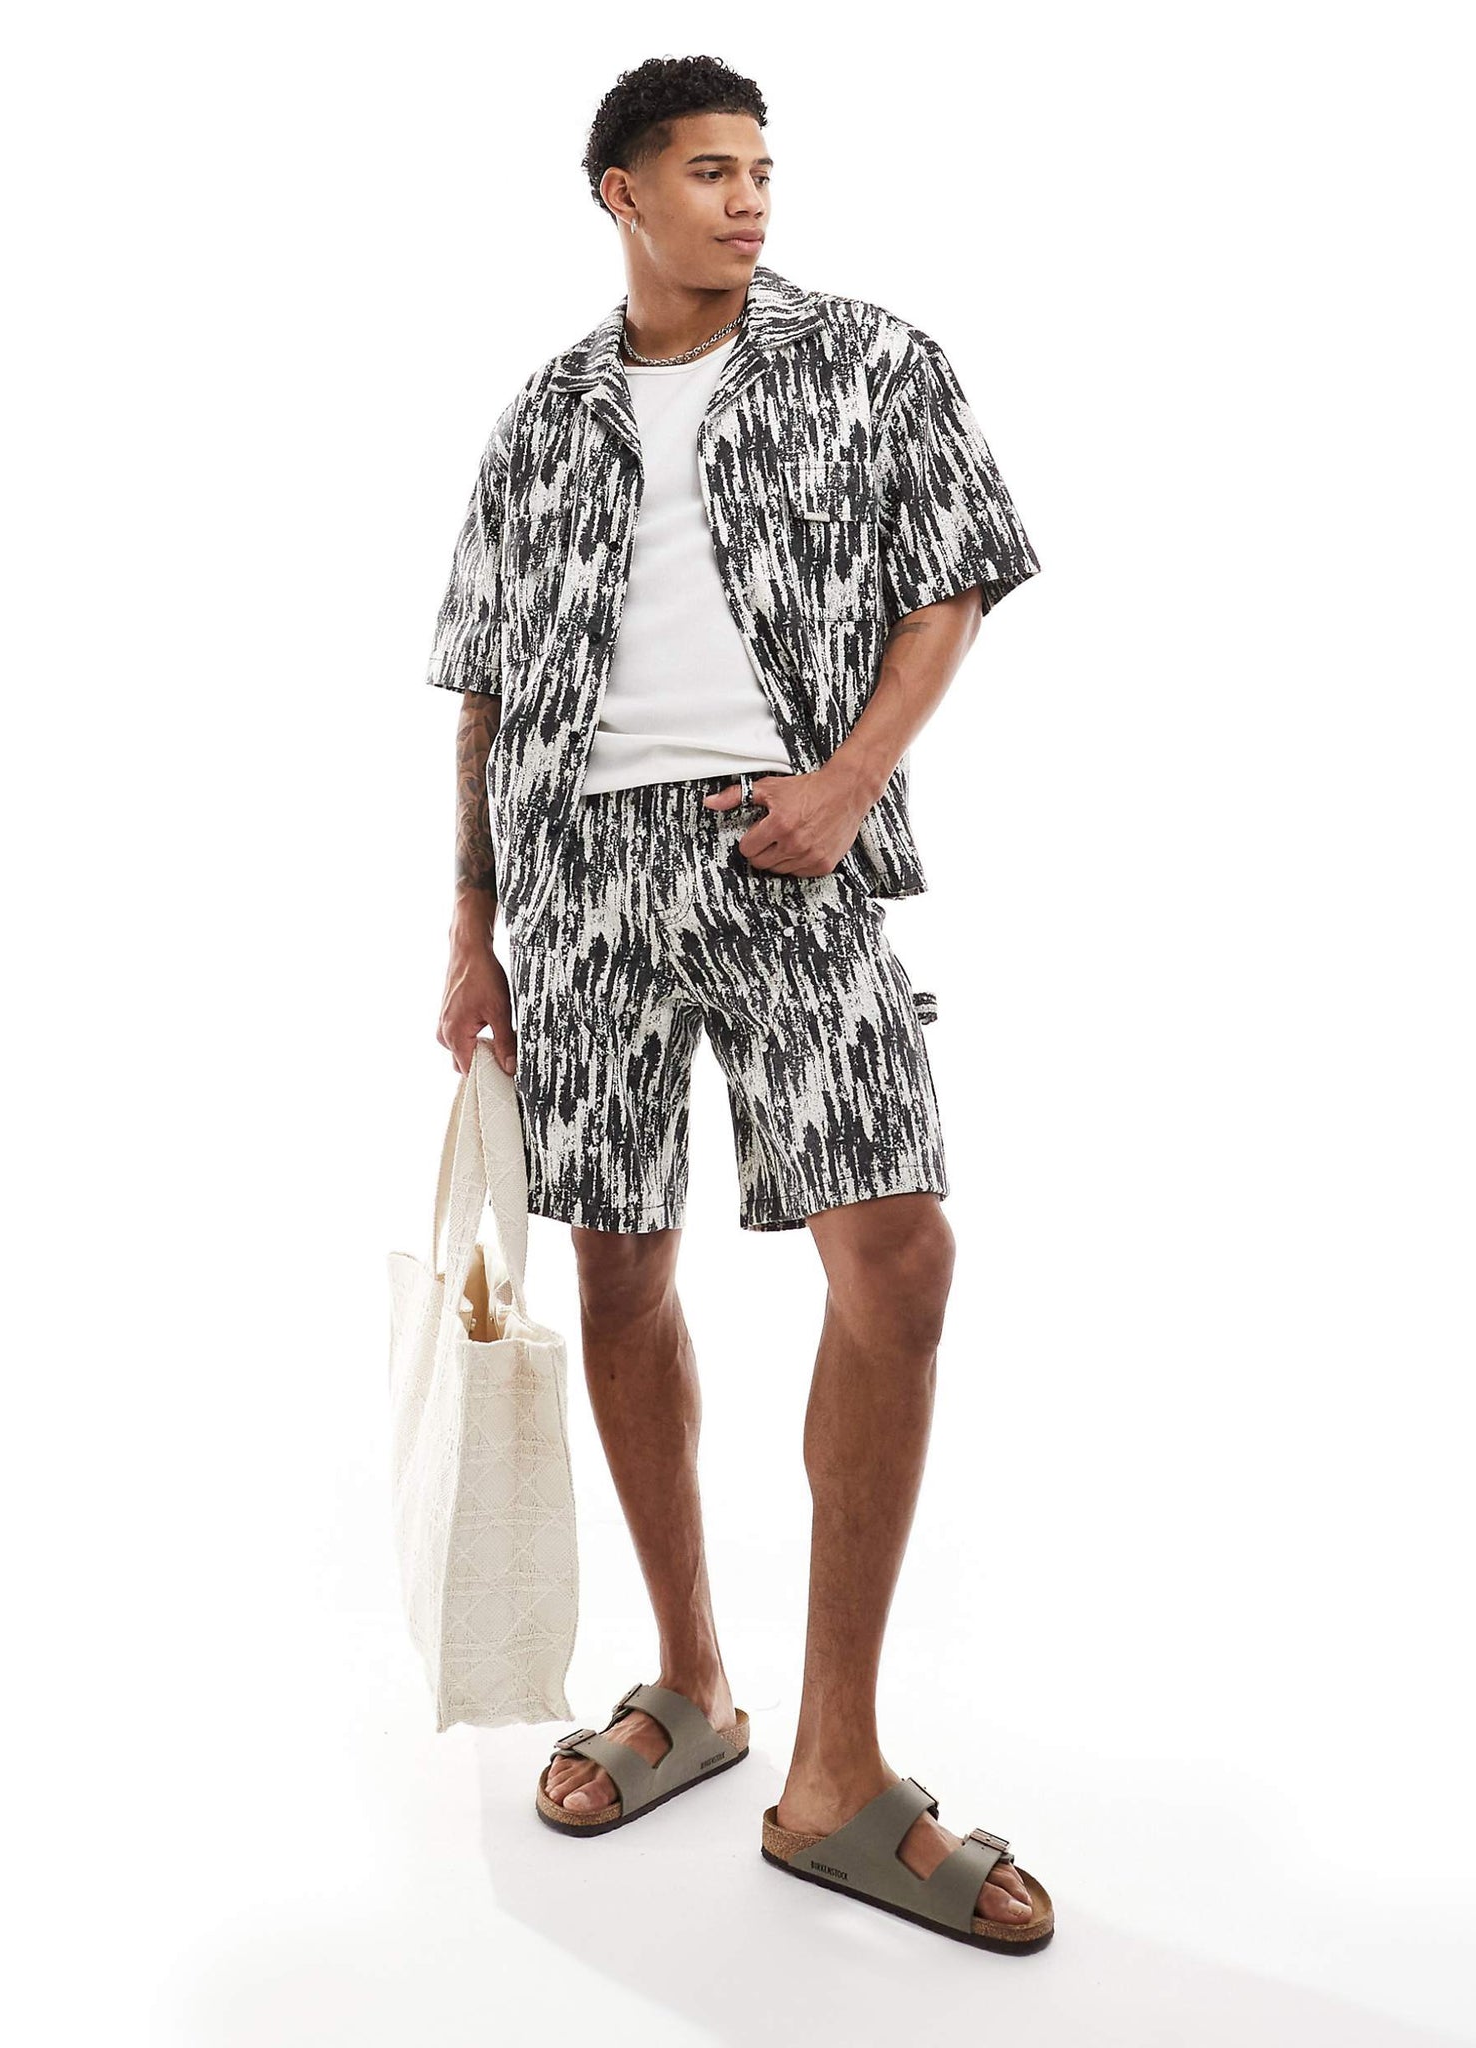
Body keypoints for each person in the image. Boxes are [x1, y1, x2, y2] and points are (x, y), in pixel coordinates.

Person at [427, 54, 1052, 1950]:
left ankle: (837, 1770)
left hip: (789, 853)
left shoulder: (869, 359)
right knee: (618, 1274)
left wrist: (850, 783)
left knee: (898, 1259)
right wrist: (471, 925)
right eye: (709, 171)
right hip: (578, 882)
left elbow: (953, 581)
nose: (749, 198)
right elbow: (485, 685)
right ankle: (692, 1683)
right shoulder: (542, 417)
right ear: (618, 193)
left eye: (762, 168)